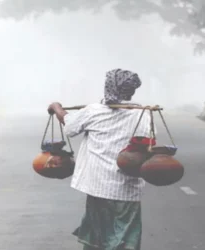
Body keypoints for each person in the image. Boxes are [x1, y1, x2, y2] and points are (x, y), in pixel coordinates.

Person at [47, 69, 152, 250]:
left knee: (97, 237)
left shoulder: (94, 111)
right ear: (131, 90)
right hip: (127, 189)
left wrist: (56, 107)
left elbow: (70, 126)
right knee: (124, 238)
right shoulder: (142, 113)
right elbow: (147, 142)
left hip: (98, 187)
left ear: (107, 87)